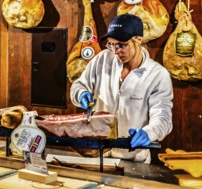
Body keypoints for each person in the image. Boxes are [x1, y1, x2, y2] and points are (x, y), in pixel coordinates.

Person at [70, 13, 173, 163]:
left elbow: (163, 118)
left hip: (134, 159)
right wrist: (80, 93)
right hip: (98, 155)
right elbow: (78, 85)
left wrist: (148, 133)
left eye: (121, 45)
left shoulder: (157, 75)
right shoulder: (102, 59)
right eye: (111, 44)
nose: (115, 51)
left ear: (138, 40)